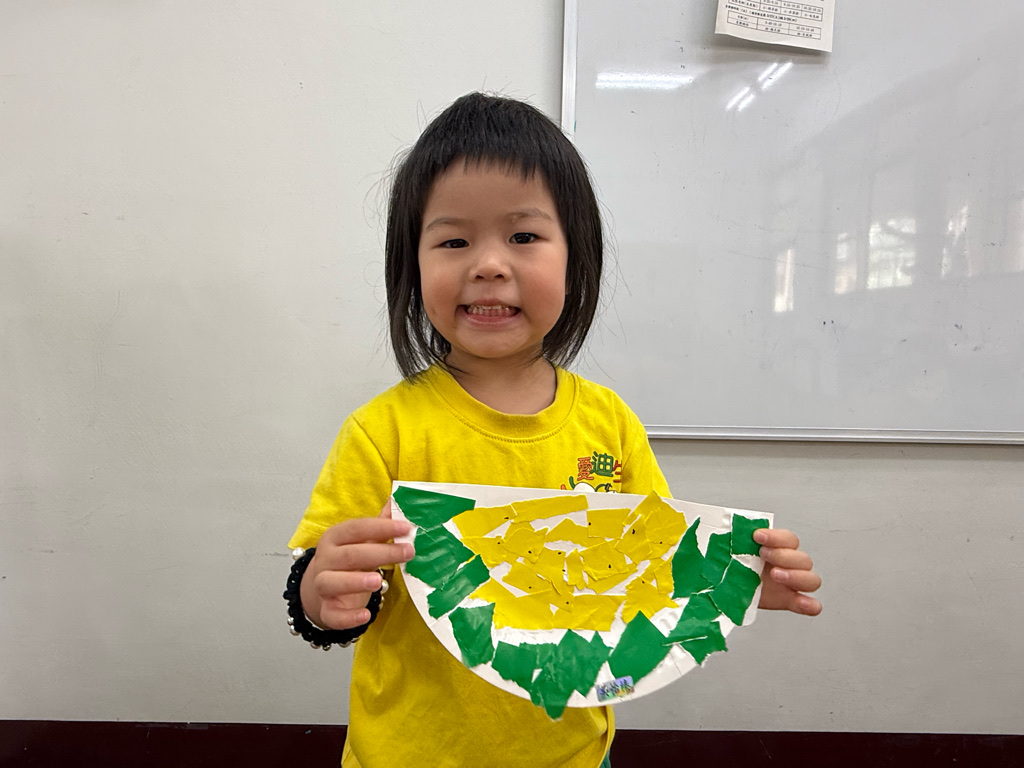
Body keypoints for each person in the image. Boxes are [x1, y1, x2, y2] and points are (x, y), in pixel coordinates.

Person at [285, 92, 823, 768]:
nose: (488, 264)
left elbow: (652, 568)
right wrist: (320, 592)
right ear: (410, 266)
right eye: (453, 241)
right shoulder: (382, 430)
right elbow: (322, 584)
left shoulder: (609, 424)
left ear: (576, 258)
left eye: (523, 237)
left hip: (572, 754)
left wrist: (731, 583)